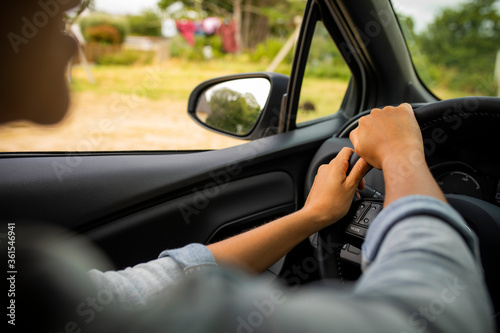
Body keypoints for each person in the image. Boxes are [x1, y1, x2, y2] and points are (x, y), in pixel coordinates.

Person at [2, 2, 494, 333]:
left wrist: (315, 215)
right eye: (57, 17)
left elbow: (142, 288)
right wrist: (406, 157)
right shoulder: (33, 282)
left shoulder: (33, 279)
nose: (71, 44)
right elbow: (428, 318)